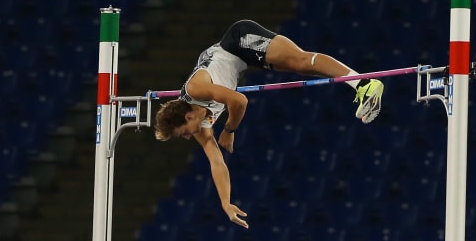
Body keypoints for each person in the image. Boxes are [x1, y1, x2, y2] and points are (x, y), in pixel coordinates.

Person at [154, 19, 384, 229]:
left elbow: (239, 100)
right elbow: (217, 163)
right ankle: (361, 84)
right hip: (242, 59)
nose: (186, 137)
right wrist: (226, 203)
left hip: (238, 41)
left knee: (301, 60)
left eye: (182, 133)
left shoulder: (197, 89)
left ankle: (364, 83)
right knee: (300, 65)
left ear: (187, 117)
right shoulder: (199, 125)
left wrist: (229, 130)